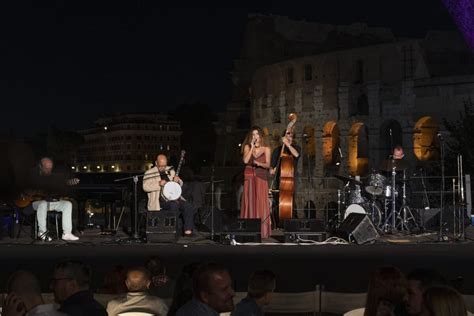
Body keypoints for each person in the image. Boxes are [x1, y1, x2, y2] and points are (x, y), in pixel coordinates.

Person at [27, 157, 79, 241]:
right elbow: (28, 189)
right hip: (35, 202)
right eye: (47, 168)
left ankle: (67, 233)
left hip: (50, 201)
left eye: (50, 168)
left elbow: (60, 187)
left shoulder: (53, 177)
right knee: (43, 204)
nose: (49, 170)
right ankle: (42, 232)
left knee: (67, 204)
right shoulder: (33, 176)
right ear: (40, 167)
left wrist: (68, 183)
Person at [143, 154, 196, 236]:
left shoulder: (170, 170)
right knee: (173, 205)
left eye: (164, 165)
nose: (163, 167)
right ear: (156, 163)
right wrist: (158, 184)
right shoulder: (149, 173)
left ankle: (187, 230)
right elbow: (145, 187)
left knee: (188, 206)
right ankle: (173, 230)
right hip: (160, 201)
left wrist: (178, 181)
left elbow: (180, 183)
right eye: (161, 165)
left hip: (174, 198)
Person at [240, 127, 272, 239]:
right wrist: (252, 147)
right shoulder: (247, 147)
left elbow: (268, 164)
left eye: (257, 134)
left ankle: (262, 230)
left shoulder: (266, 148)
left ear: (261, 136)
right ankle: (249, 229)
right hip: (249, 176)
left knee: (260, 201)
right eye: (253, 134)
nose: (255, 136)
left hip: (261, 177)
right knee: (250, 201)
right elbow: (245, 161)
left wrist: (258, 163)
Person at [269, 130, 300, 224]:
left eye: (291, 135)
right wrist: (271, 169)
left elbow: (296, 155)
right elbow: (272, 166)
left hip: (292, 180)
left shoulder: (296, 147)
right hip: (280, 180)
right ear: (283, 137)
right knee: (279, 203)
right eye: (287, 135)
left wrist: (288, 145)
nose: (289, 137)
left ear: (293, 138)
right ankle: (280, 223)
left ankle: (292, 222)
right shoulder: (277, 150)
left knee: (292, 202)